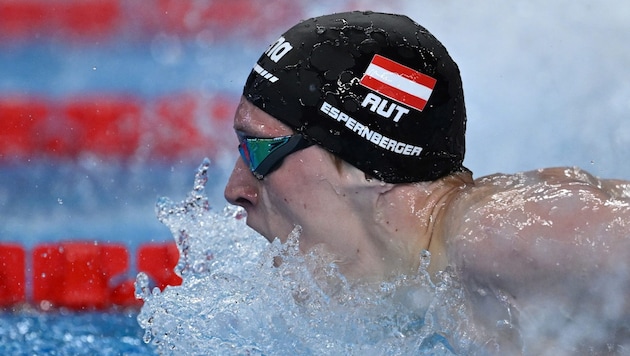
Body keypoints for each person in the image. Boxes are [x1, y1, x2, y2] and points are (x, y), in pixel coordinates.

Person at [223, 11, 630, 353]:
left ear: (369, 166)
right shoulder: (427, 281)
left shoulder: (499, 237)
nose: (235, 190)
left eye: (258, 149)